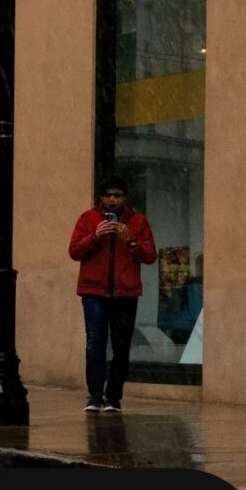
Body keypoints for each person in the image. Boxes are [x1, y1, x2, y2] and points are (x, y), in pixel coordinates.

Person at [67, 175, 158, 413]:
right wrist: (95, 236)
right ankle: (94, 396)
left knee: (121, 346)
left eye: (118, 195)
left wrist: (130, 242)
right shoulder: (88, 218)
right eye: (108, 195)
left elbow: (150, 256)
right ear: (101, 198)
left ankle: (114, 398)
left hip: (125, 293)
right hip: (94, 291)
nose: (113, 200)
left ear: (125, 198)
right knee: (95, 343)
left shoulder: (138, 221)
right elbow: (74, 252)